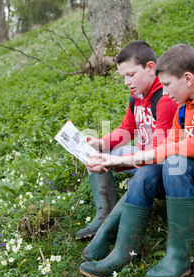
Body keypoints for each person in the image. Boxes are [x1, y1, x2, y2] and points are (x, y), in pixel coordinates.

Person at [79, 44, 194, 277]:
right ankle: (122, 253)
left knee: (175, 161)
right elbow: (163, 150)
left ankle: (178, 258)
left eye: (167, 85)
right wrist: (114, 157)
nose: (164, 92)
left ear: (187, 78)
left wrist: (122, 158)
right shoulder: (183, 106)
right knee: (146, 174)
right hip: (193, 180)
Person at [75, 40, 178, 241]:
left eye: (131, 75)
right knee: (96, 156)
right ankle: (103, 216)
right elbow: (126, 129)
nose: (126, 82)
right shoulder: (136, 96)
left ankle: (112, 226)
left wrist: (117, 160)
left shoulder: (164, 99)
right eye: (123, 77)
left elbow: (159, 153)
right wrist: (99, 143)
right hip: (142, 156)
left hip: (162, 164)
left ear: (150, 68)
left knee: (111, 161)